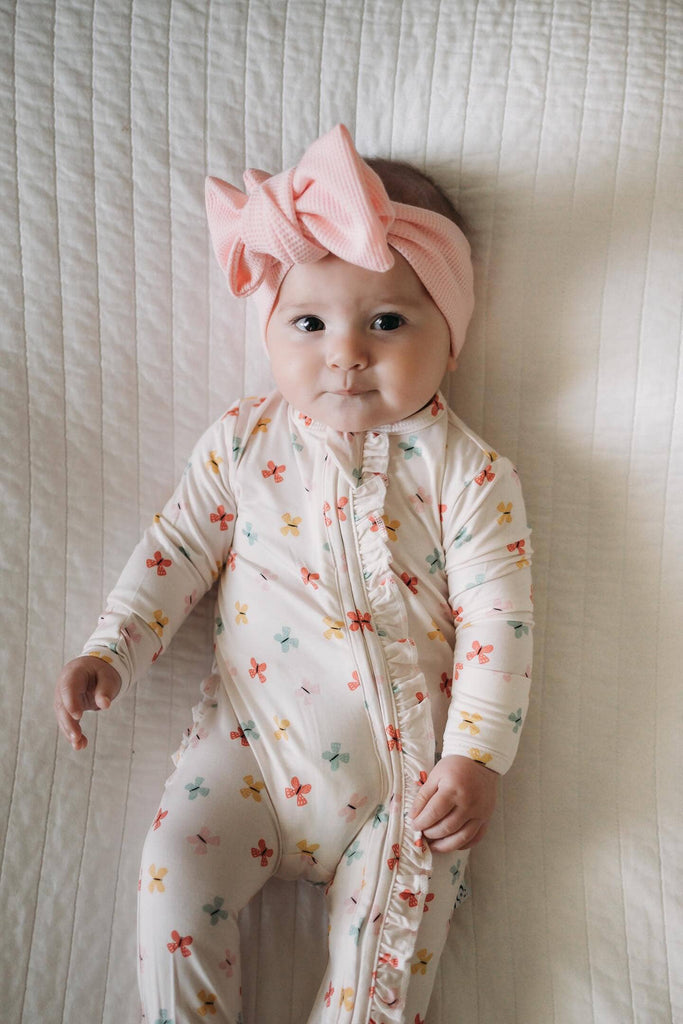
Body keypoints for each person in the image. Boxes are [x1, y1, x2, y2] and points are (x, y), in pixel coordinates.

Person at [54, 124, 533, 1024]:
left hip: (405, 785)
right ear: (270, 330)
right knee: (172, 889)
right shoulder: (244, 441)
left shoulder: (468, 474)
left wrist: (475, 755)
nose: (344, 352)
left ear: (451, 338)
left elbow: (496, 622)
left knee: (381, 967)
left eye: (386, 322)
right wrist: (111, 648)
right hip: (246, 752)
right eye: (309, 323)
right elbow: (176, 550)